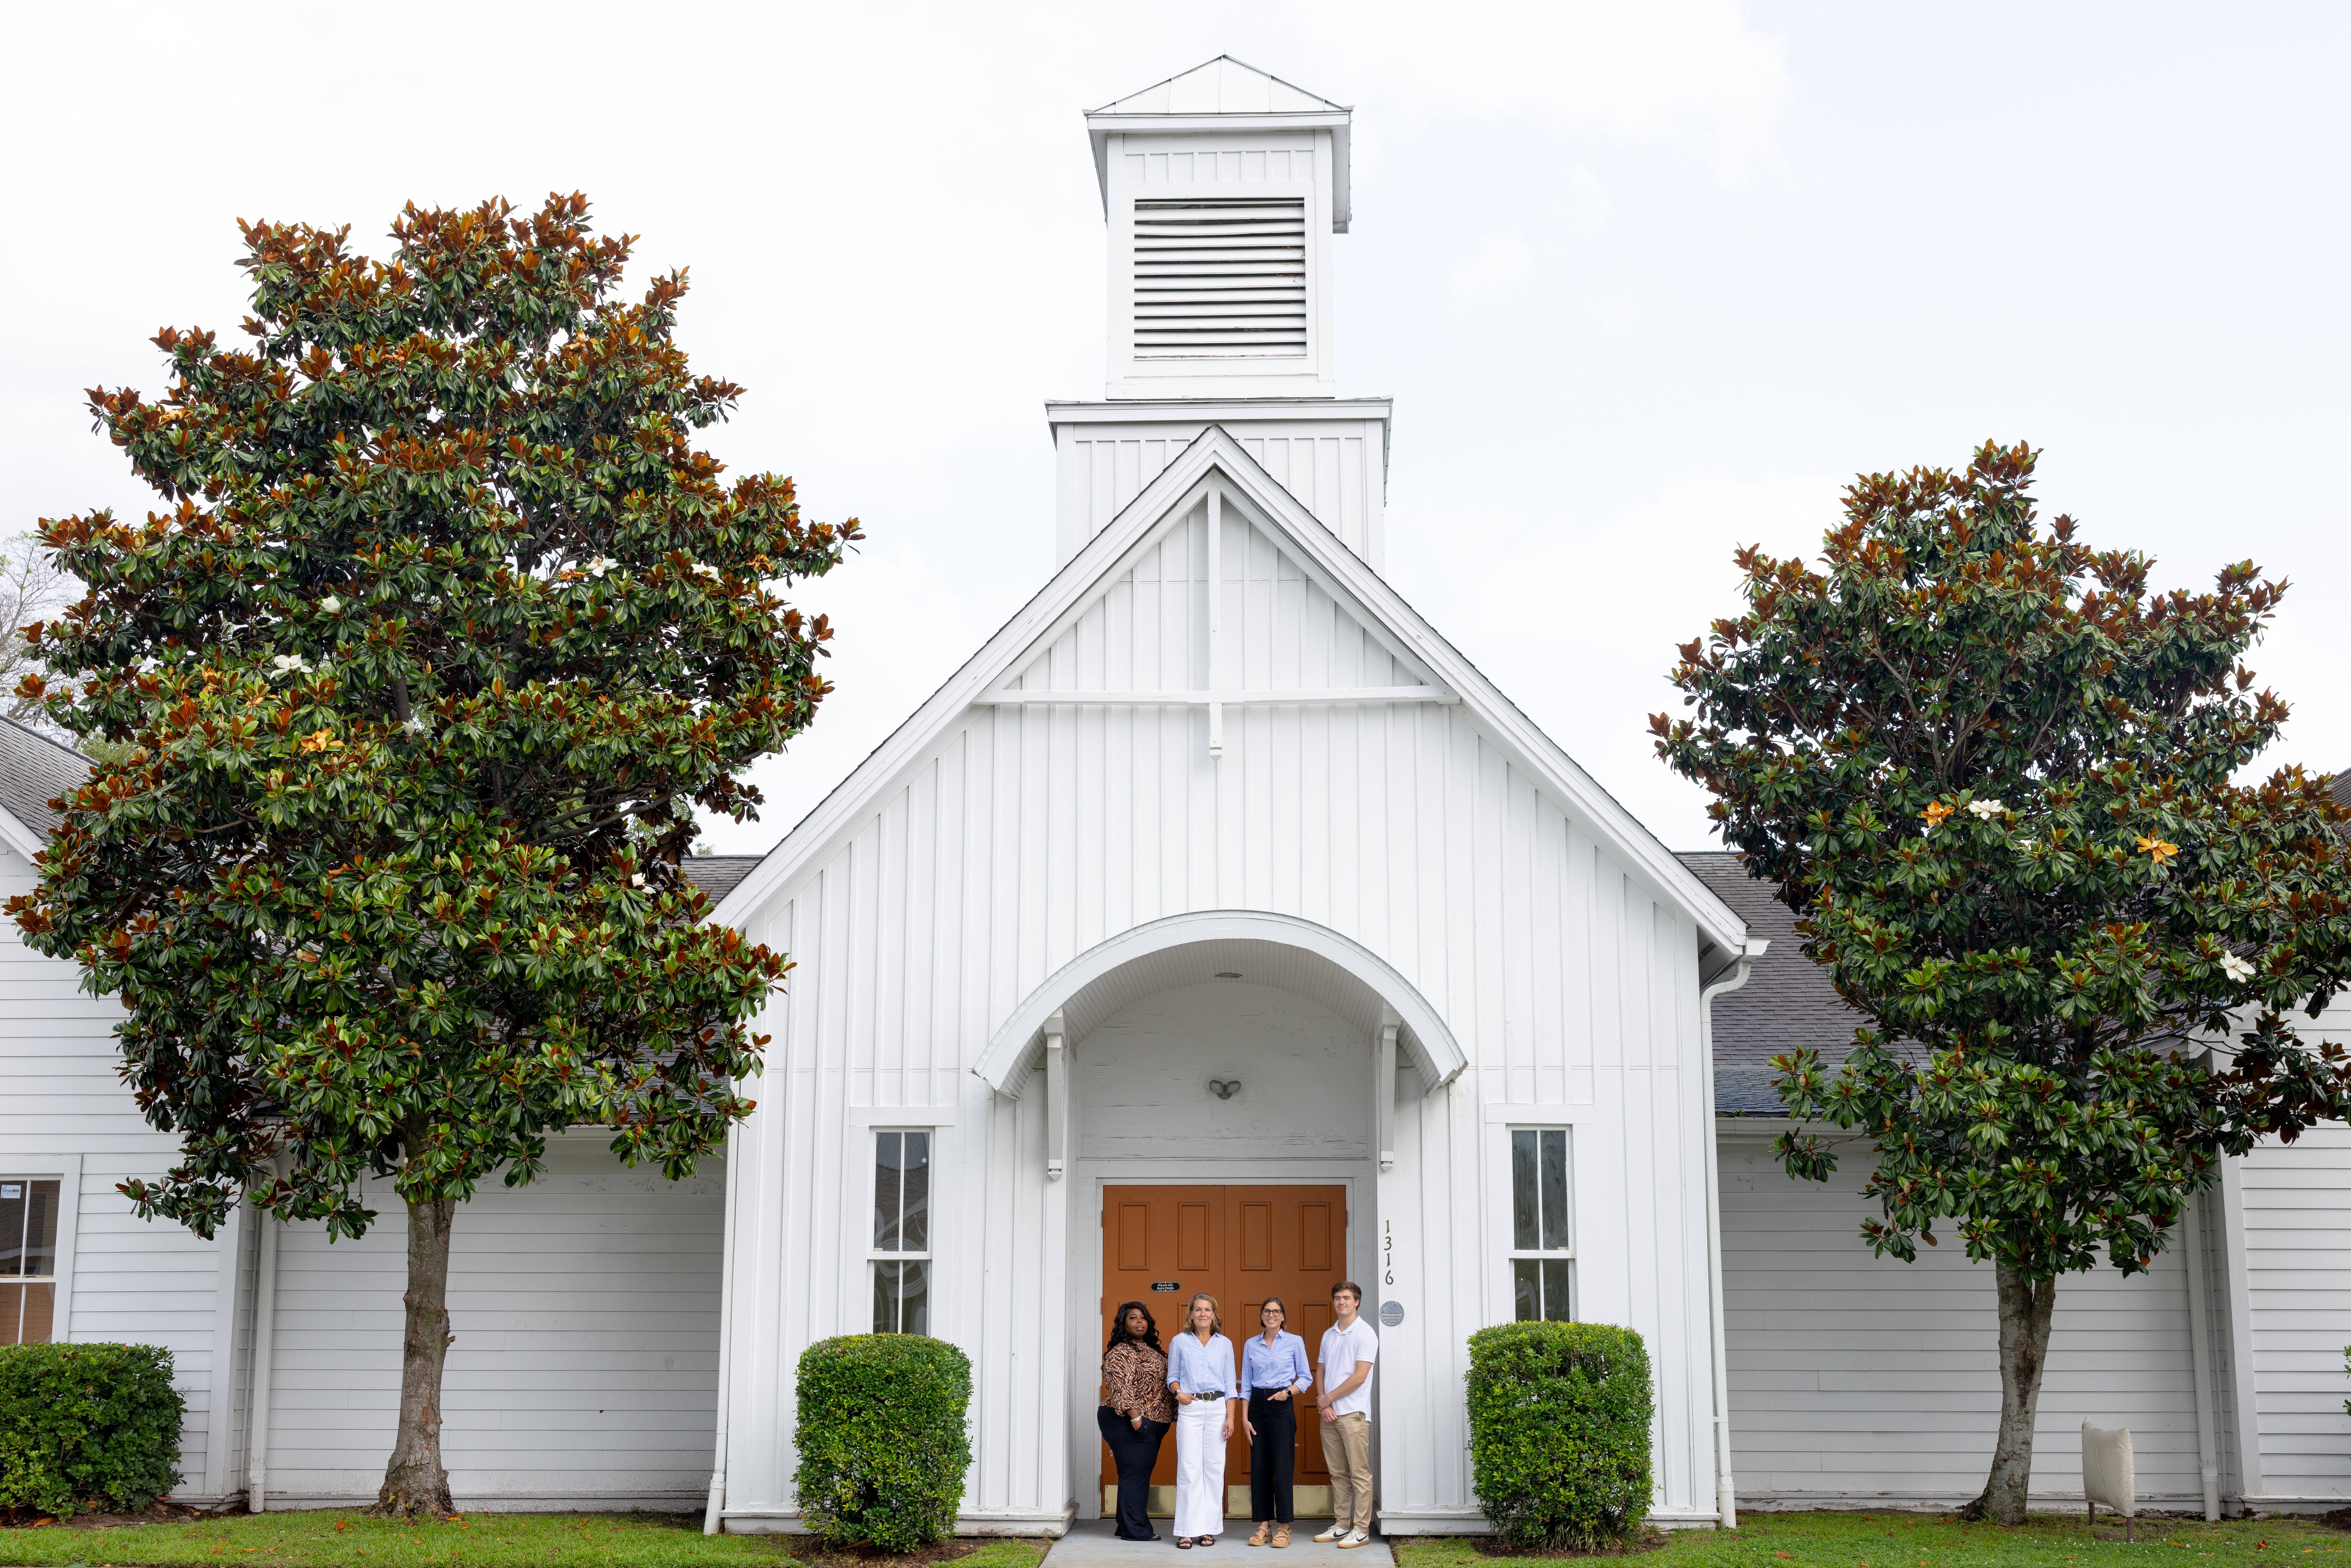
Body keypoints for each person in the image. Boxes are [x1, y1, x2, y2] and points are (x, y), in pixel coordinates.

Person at [1166, 1291, 1239, 1548]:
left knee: (1214, 1469)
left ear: (1214, 1314)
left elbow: (1231, 1384)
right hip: (1192, 1407)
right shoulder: (1180, 1342)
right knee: (1189, 1468)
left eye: (1207, 1310)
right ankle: (1187, 1530)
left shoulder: (1225, 1344)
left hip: (1219, 1408)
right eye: (1198, 1310)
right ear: (1191, 1314)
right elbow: (1172, 1376)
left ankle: (1208, 1528)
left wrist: (1231, 1417)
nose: (1203, 1314)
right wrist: (1179, 1394)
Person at [1239, 1296, 1313, 1546]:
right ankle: (1264, 1525)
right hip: (1257, 1406)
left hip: (1282, 1402)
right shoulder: (1252, 1344)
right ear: (1261, 1315)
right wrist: (1244, 1418)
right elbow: (1246, 1383)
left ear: (1283, 1316)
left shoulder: (1295, 1342)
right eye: (1267, 1311)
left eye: (1277, 1311)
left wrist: (1288, 1393)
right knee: (1259, 1467)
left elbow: (1305, 1377)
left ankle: (1284, 1527)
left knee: (1282, 1466)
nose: (1272, 1315)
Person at [1099, 1301, 1175, 1541]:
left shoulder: (1151, 1351)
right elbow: (1122, 1386)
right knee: (1136, 1473)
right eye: (1133, 1318)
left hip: (1151, 1420)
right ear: (1124, 1323)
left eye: (1143, 1317)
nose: (1139, 1322)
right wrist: (1137, 1419)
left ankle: (1126, 1525)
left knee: (1133, 1473)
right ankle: (1136, 1530)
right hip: (1128, 1418)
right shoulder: (1122, 1351)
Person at [1313, 1281, 1379, 1548]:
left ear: (1357, 1302)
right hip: (1329, 1415)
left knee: (1359, 1473)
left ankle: (1361, 1529)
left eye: (1347, 1298)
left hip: (1353, 1413)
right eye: (1338, 1297)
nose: (1342, 1302)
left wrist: (1329, 1398)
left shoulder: (1365, 1333)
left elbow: (1360, 1377)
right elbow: (1320, 1371)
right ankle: (1342, 1524)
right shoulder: (1329, 1334)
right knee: (1337, 1473)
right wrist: (1324, 1404)